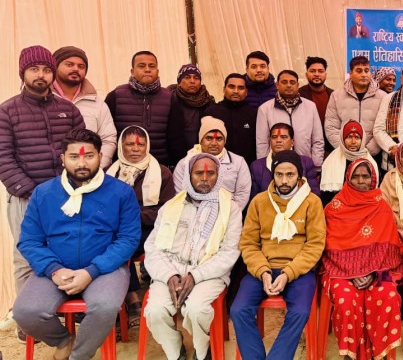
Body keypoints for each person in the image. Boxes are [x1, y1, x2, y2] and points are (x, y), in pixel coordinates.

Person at [14, 129, 140, 360]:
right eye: (74, 156)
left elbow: (128, 239)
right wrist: (54, 270)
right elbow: (30, 241)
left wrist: (91, 271)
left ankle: (79, 356)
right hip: (56, 269)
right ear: (62, 158)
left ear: (100, 156)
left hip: (105, 269)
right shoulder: (44, 193)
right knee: (25, 312)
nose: (82, 163)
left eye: (89, 156)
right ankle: (63, 341)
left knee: (105, 307)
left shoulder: (121, 192)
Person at [0, 46, 85, 339]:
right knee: (26, 256)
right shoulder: (7, 111)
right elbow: (3, 158)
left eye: (47, 70)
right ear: (22, 73)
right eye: (34, 69)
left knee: (69, 251)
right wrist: (33, 192)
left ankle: (67, 312)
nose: (41, 75)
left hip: (67, 197)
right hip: (25, 198)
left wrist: (70, 188)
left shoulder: (69, 110)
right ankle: (29, 323)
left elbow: (81, 152)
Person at [143, 153, 243, 360]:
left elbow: (230, 252)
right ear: (189, 175)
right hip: (170, 270)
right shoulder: (171, 206)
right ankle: (175, 351)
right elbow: (152, 247)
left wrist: (196, 275)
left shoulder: (230, 209)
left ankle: (202, 351)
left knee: (197, 310)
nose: (204, 178)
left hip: (209, 273)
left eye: (210, 173)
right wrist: (169, 275)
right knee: (155, 311)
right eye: (198, 173)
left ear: (218, 175)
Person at [232, 150, 325, 360]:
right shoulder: (259, 202)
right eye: (279, 174)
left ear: (299, 176)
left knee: (300, 312)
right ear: (272, 175)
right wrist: (263, 272)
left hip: (299, 271)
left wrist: (287, 273)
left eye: (290, 174)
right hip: (262, 269)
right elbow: (248, 243)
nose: (284, 180)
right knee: (238, 310)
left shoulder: (312, 202)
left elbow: (315, 245)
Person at [322, 159, 403, 359]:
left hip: (379, 271)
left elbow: (390, 249)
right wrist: (352, 273)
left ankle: (379, 352)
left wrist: (373, 273)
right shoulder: (334, 208)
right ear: (347, 178)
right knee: (346, 301)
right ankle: (350, 354)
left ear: (373, 179)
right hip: (341, 272)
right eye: (356, 176)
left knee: (389, 295)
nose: (361, 181)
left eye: (365, 176)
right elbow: (329, 248)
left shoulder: (382, 207)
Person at [107, 126, 176, 327]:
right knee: (109, 244)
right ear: (121, 146)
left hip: (150, 230)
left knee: (122, 244)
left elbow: (167, 210)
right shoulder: (109, 174)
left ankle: (131, 299)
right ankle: (125, 300)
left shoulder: (162, 173)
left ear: (148, 146)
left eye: (141, 144)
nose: (136, 149)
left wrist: (133, 217)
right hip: (118, 231)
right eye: (130, 144)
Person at [52, 46, 116, 168]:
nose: (76, 69)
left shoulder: (97, 103)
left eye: (81, 66)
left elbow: (108, 139)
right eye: (69, 64)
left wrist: (97, 168)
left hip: (88, 173)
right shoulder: (42, 99)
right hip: (48, 174)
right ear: (55, 66)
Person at [105, 50, 172, 164]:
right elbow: (107, 134)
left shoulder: (169, 97)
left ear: (157, 71)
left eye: (152, 66)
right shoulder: (115, 96)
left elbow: (176, 137)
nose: (147, 69)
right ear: (132, 71)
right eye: (141, 66)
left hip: (160, 164)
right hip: (123, 165)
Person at [173, 116, 252, 210]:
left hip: (228, 212)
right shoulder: (185, 163)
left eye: (219, 139)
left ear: (225, 141)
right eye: (209, 138)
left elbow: (242, 194)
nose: (214, 143)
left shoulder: (238, 162)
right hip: (192, 213)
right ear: (200, 140)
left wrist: (230, 213)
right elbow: (181, 194)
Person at [255, 70, 324, 166]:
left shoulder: (310, 106)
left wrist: (316, 166)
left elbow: (318, 140)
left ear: (297, 85)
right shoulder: (265, 109)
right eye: (284, 82)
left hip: (304, 165)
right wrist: (265, 167)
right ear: (277, 85)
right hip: (276, 166)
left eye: (292, 82)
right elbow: (262, 143)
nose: (288, 85)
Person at [325, 56, 387, 157]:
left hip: (373, 155)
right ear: (350, 73)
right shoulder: (336, 96)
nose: (364, 75)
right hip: (343, 154)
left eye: (366, 70)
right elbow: (331, 127)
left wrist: (367, 151)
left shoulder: (382, 97)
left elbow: (384, 127)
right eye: (359, 71)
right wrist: (346, 150)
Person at [250, 123, 320, 196]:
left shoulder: (306, 162)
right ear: (270, 141)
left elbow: (314, 194)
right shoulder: (257, 166)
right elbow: (255, 198)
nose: (278, 140)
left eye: (283, 137)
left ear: (292, 142)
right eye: (274, 137)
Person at [166, 64, 216, 166]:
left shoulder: (209, 102)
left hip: (203, 157)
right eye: (187, 77)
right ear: (179, 82)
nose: (192, 81)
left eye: (196, 78)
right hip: (176, 159)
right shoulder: (169, 101)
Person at [205, 73, 258, 165]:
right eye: (231, 87)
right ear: (224, 89)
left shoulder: (254, 114)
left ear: (246, 92)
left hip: (247, 166)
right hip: (218, 165)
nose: (236, 91)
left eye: (240, 88)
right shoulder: (212, 112)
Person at [321, 121, 379, 201]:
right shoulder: (331, 161)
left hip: (364, 202)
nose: (353, 142)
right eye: (349, 137)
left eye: (357, 137)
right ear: (342, 139)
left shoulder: (370, 162)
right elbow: (326, 196)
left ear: (362, 140)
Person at [298, 57, 334, 154]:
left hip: (330, 147)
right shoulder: (298, 95)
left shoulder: (334, 95)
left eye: (320, 71)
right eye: (312, 71)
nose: (317, 74)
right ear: (306, 74)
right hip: (306, 147)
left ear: (325, 74)